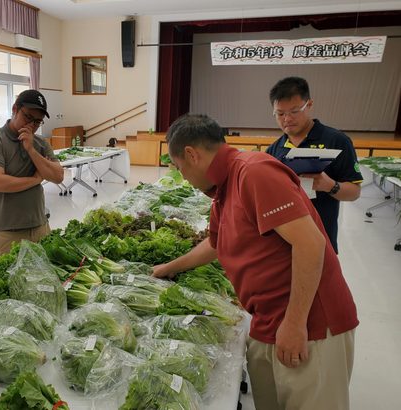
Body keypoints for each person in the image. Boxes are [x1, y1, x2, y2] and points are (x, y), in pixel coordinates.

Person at [153, 114, 358, 410]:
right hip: (267, 318)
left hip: (310, 323)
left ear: (191, 155)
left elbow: (310, 244)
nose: (182, 176)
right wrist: (168, 268)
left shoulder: (254, 172)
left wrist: (295, 323)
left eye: (180, 168)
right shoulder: (222, 189)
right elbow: (215, 242)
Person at [266, 77, 362, 253]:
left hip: (321, 238)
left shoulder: (336, 141)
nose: (286, 119)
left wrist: (329, 186)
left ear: (309, 105)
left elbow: (354, 192)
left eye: (294, 111)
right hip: (283, 241)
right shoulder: (274, 150)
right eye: (280, 114)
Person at [0, 89, 64, 256]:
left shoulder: (39, 143)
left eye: (37, 122)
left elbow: (57, 176)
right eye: (28, 117)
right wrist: (35, 180)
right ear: (15, 109)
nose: (31, 125)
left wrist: (31, 150)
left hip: (40, 226)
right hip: (8, 232)